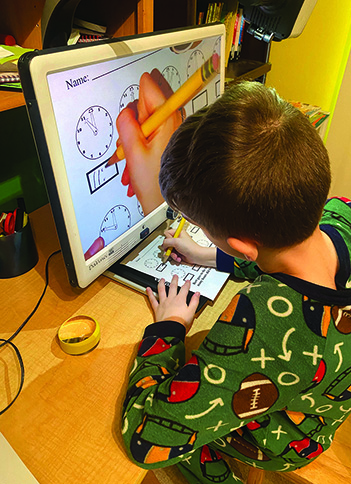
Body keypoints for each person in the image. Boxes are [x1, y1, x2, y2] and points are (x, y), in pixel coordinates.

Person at [120, 80, 351, 483]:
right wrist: (214, 256)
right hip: (326, 405)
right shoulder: (340, 212)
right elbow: (286, 253)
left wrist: (168, 327)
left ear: (243, 245)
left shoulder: (267, 322)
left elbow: (147, 436)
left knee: (179, 448)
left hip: (291, 439)